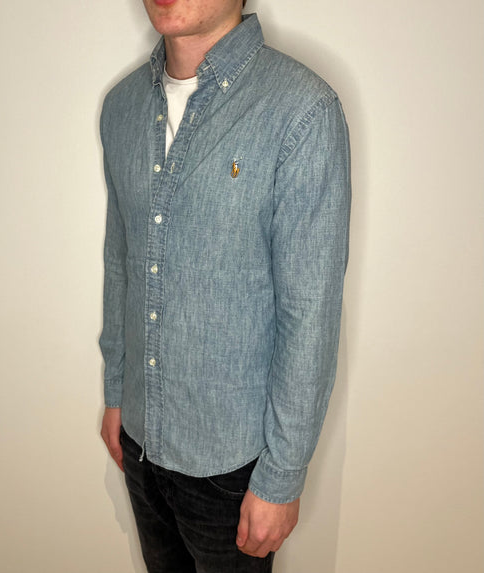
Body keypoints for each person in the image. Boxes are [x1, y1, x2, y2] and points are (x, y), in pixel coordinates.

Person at [99, 0, 351, 570]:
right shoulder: (121, 107)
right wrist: (117, 393)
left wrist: (282, 477)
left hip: (232, 467)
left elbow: (310, 312)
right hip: (139, 440)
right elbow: (121, 260)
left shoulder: (301, 111)